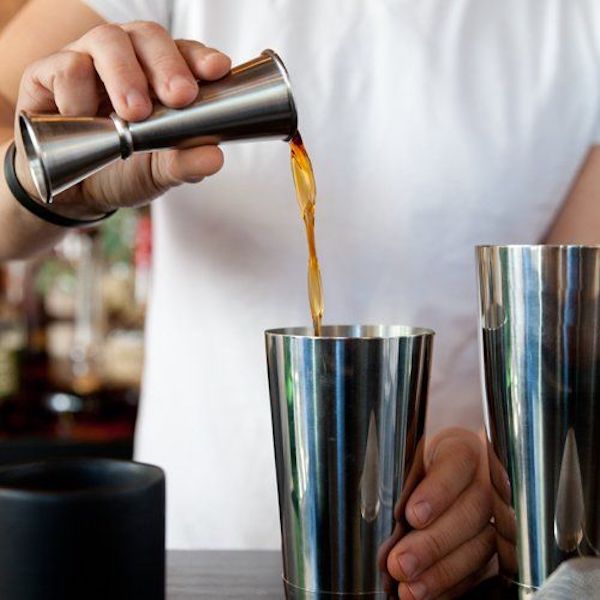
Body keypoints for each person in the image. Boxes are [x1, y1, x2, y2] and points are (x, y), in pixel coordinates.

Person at [1, 1, 599, 597]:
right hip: (192, 565)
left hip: (441, 572)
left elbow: (564, 342)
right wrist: (45, 182)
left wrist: (492, 474)